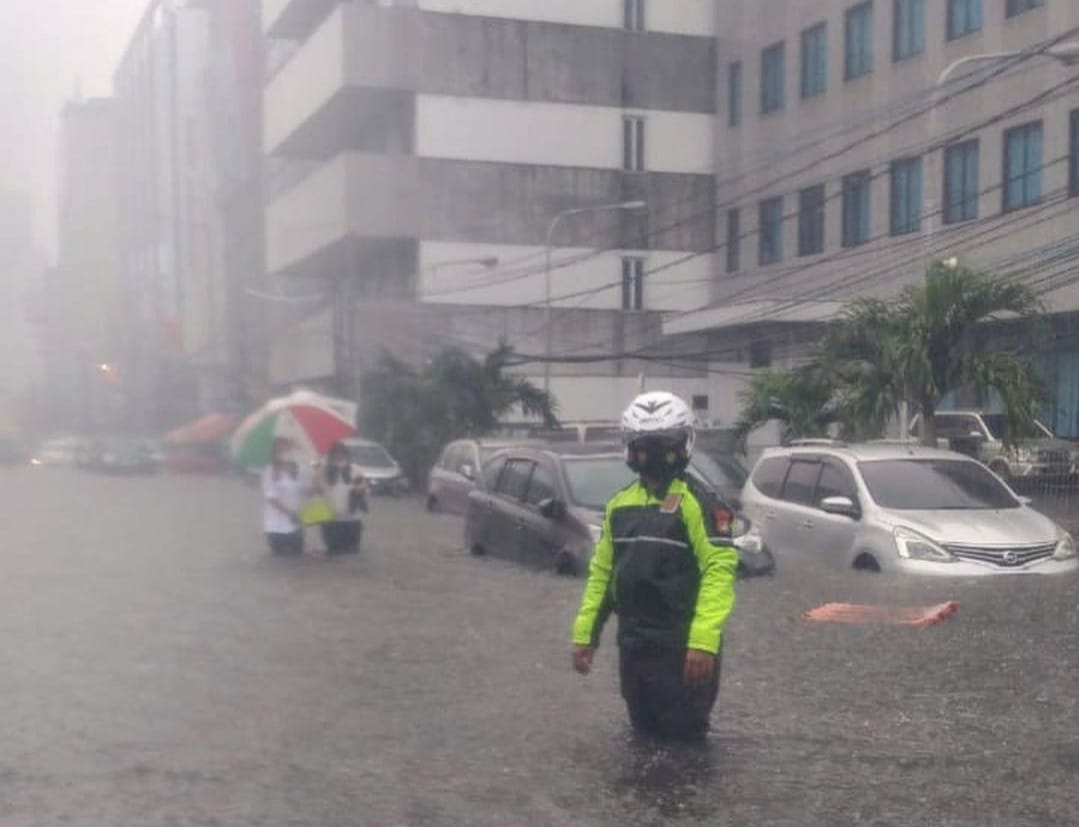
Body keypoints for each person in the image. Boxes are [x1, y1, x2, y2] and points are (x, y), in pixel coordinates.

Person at [571, 391, 738, 741]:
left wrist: (703, 643)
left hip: (683, 650)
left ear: (682, 445)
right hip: (633, 648)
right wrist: (586, 635)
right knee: (642, 744)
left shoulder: (700, 503)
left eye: (664, 446)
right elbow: (602, 576)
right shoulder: (619, 505)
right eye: (643, 446)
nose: (653, 456)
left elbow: (719, 572)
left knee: (685, 752)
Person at [318, 441, 368, 555]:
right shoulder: (324, 470)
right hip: (330, 519)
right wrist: (321, 472)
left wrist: (359, 488)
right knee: (333, 553)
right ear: (330, 455)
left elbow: (365, 486)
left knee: (351, 553)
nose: (339, 456)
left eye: (342, 453)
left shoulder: (356, 469)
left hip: (352, 518)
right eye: (335, 453)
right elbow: (317, 488)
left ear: (347, 455)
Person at [262, 437, 306, 555]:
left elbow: (306, 491)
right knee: (280, 564)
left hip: (296, 525)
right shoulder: (269, 471)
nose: (284, 451)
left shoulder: (297, 470)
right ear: (275, 452)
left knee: (298, 562)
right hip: (276, 527)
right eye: (280, 449)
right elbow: (271, 498)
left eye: (287, 447)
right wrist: (291, 513)